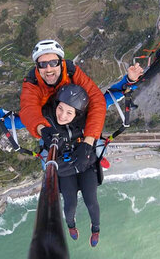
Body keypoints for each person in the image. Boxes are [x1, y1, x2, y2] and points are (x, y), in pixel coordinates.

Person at [20, 39, 106, 173]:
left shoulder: (71, 72)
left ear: (61, 63)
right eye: (42, 64)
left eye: (53, 63)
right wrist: (41, 128)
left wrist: (88, 142)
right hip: (51, 119)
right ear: (37, 67)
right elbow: (28, 108)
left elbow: (96, 99)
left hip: (69, 116)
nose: (48, 69)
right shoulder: (32, 82)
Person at [40, 83, 102, 247]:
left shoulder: (86, 121)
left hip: (84, 164)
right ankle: (71, 225)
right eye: (60, 109)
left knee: (91, 201)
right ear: (56, 105)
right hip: (66, 169)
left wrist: (129, 80)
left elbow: (110, 97)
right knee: (70, 205)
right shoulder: (48, 122)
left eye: (69, 112)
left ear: (77, 114)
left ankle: (95, 228)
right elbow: (27, 115)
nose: (62, 116)